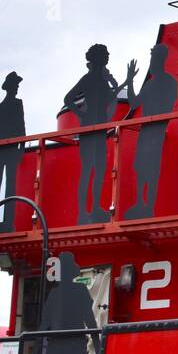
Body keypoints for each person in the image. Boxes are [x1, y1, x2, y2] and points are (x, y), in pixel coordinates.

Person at [63, 44, 128, 225]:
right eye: (105, 54)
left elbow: (109, 98)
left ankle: (95, 207)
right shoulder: (89, 78)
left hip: (98, 127)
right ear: (98, 58)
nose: (108, 56)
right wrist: (82, 114)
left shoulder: (100, 79)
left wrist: (117, 83)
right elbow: (68, 98)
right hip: (90, 127)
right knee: (88, 170)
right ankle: (84, 211)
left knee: (99, 170)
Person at [121, 43, 178, 220]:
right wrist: (130, 80)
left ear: (159, 60)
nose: (151, 63)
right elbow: (134, 103)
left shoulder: (168, 82)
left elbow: (167, 107)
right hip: (146, 132)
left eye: (153, 59)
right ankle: (140, 204)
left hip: (156, 132)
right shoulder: (151, 84)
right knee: (141, 170)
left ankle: (149, 206)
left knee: (151, 171)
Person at [0, 72, 26, 231]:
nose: (17, 88)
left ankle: (5, 220)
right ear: (10, 87)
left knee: (7, 185)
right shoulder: (3, 107)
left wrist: (21, 148)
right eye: (15, 85)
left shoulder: (11, 105)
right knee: (0, 185)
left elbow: (21, 128)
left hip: (5, 151)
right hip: (4, 151)